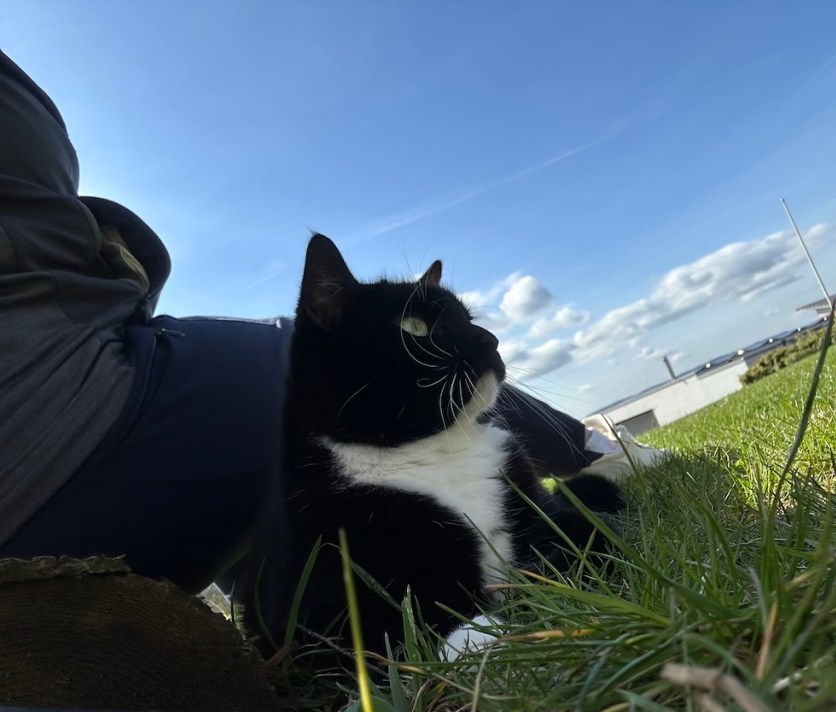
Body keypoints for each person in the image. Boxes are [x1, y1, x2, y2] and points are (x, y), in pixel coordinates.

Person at [0, 50, 665, 595]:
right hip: (55, 405)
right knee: (327, 371)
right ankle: (592, 452)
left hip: (74, 397)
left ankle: (289, 623)